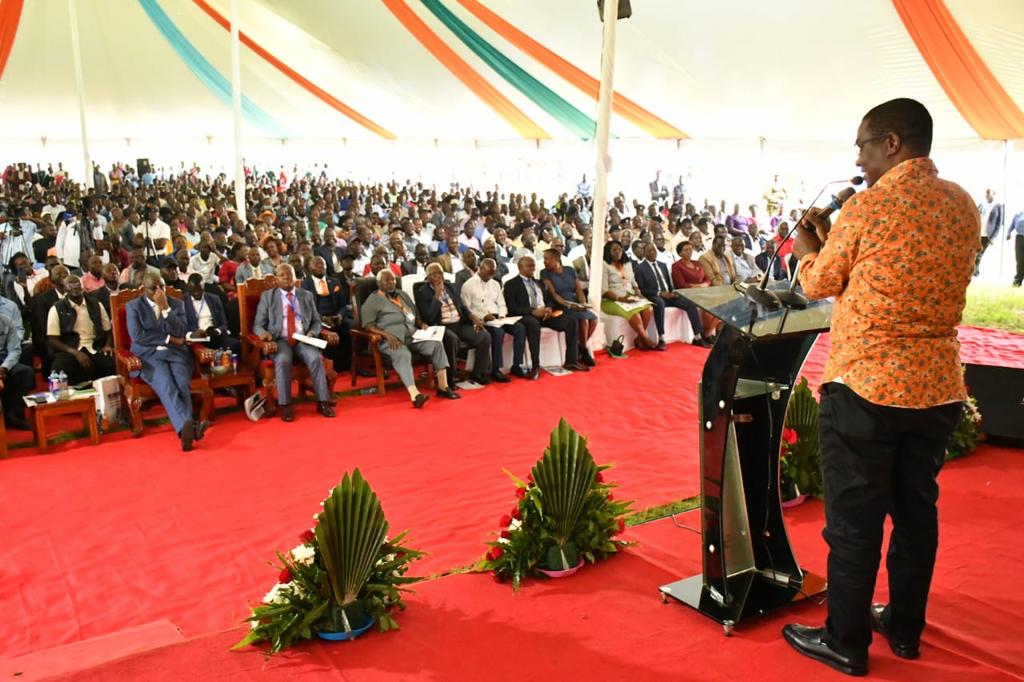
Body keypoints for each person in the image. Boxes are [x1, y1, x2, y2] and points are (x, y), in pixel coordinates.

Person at [783, 98, 978, 677]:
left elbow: (820, 281)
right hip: (937, 388)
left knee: (854, 521)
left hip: (865, 386)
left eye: (863, 146)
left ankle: (844, 640)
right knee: (916, 513)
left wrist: (807, 246)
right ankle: (905, 627)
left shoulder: (870, 207)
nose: (859, 159)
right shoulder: (963, 203)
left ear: (892, 142)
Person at [126, 272, 206, 452]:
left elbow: (182, 330)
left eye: (161, 286)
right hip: (149, 356)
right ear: (143, 289)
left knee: (181, 384)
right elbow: (138, 336)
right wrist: (168, 339)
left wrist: (166, 310)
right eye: (153, 288)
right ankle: (189, 428)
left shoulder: (176, 304)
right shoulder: (133, 306)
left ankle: (185, 430)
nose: (158, 291)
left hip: (177, 354)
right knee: (167, 385)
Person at [359, 269, 459, 407]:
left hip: (413, 335)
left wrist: (422, 325)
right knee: (403, 354)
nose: (391, 283)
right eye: (387, 280)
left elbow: (415, 315)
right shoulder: (373, 301)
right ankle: (415, 394)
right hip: (391, 340)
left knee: (436, 344)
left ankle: (443, 387)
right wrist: (385, 335)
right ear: (378, 283)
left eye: (393, 280)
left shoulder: (402, 295)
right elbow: (368, 325)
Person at [253, 264, 336, 421]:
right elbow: (257, 324)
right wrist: (263, 334)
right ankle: (286, 405)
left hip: (303, 338)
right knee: (283, 360)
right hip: (280, 339)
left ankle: (323, 402)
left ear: (295, 277)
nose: (286, 278)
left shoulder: (306, 295)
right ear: (276, 279)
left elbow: (316, 321)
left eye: (289, 274)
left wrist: (312, 333)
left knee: (315, 358)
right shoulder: (268, 296)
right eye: (282, 275)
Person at [503, 255, 585, 375]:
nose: (533, 268)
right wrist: (532, 311)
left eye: (534, 266)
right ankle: (535, 366)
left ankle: (572, 361)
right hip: (527, 316)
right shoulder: (511, 284)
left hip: (545, 315)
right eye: (529, 266)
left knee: (571, 321)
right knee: (533, 324)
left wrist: (549, 308)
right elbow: (512, 308)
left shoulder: (539, 282)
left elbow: (550, 299)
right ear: (520, 267)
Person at [415, 262, 491, 385]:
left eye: (440, 272)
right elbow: (428, 317)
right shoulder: (422, 292)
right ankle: (450, 379)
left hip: (459, 324)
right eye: (434, 274)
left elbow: (461, 306)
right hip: (442, 326)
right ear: (428, 277)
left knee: (484, 336)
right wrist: (437, 295)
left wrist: (473, 317)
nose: (438, 276)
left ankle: (478, 373)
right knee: (452, 339)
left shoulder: (451, 287)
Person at [634, 243, 711, 348]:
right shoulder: (640, 268)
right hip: (654, 296)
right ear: (644, 253)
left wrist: (672, 292)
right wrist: (659, 293)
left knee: (690, 303)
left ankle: (697, 337)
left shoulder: (662, 265)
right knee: (659, 302)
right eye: (649, 251)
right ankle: (661, 338)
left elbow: (668, 283)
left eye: (654, 250)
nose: (652, 253)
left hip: (668, 295)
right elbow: (642, 289)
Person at [460, 258, 525, 381]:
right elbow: (466, 309)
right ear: (480, 268)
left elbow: (502, 304)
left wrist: (501, 315)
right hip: (482, 319)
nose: (491, 275)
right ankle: (496, 370)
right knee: (498, 333)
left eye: (493, 273)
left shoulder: (495, 284)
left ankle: (517, 365)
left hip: (498, 318)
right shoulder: (468, 285)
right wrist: (483, 316)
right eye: (488, 272)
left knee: (520, 329)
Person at [47, 275, 116, 384]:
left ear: (83, 287)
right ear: (65, 289)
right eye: (72, 288)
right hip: (70, 349)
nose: (76, 290)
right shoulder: (56, 308)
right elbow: (53, 340)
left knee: (112, 364)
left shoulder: (96, 304)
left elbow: (108, 330)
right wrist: (75, 352)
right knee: (58, 371)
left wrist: (107, 345)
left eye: (78, 286)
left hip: (94, 346)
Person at [539, 248, 597, 366]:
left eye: (546, 258)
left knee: (594, 319)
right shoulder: (544, 273)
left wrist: (582, 303)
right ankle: (584, 351)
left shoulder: (570, 270)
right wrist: (570, 305)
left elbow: (578, 289)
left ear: (555, 259)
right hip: (560, 303)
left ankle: (581, 346)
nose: (544, 261)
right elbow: (554, 294)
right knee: (584, 321)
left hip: (573, 301)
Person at [600, 240, 655, 350]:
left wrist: (639, 293)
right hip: (611, 300)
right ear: (608, 252)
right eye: (614, 250)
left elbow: (633, 283)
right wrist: (621, 298)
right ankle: (645, 338)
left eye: (619, 249)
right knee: (634, 313)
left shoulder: (627, 263)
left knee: (648, 308)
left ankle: (639, 338)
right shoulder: (604, 265)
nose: (618, 252)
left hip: (629, 295)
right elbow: (604, 290)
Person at [301, 256, 352, 372]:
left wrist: (340, 315)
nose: (320, 266)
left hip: (335, 317)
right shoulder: (305, 284)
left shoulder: (334, 281)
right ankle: (329, 367)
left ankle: (349, 364)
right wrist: (321, 318)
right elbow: (305, 309)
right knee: (321, 331)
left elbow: (344, 305)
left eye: (322, 264)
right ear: (310, 267)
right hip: (317, 318)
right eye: (317, 264)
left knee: (351, 326)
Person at [183, 274, 238, 353]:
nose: (197, 293)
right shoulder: (182, 301)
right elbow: (179, 328)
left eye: (200, 290)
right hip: (195, 340)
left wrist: (217, 331)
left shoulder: (214, 299)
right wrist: (191, 334)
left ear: (204, 287)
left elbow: (224, 324)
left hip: (214, 337)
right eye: (193, 291)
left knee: (235, 345)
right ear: (188, 288)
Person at [0, 314, 33, 430]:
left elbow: (15, 350)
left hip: (4, 363)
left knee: (25, 372)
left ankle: (14, 416)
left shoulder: (5, 320)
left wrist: (4, 368)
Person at [974, 188, 1003, 277]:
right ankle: (975, 271)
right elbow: (975, 215)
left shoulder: (998, 206)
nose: (987, 196)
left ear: (994, 194)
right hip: (978, 233)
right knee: (974, 253)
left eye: (989, 194)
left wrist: (993, 237)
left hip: (987, 235)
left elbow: (998, 223)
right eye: (986, 194)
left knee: (979, 253)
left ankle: (975, 271)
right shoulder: (982, 204)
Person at [1009, 208, 1024, 287]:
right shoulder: (1019, 213)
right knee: (1020, 260)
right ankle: (1017, 281)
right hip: (1019, 238)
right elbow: (1012, 224)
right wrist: (1009, 232)